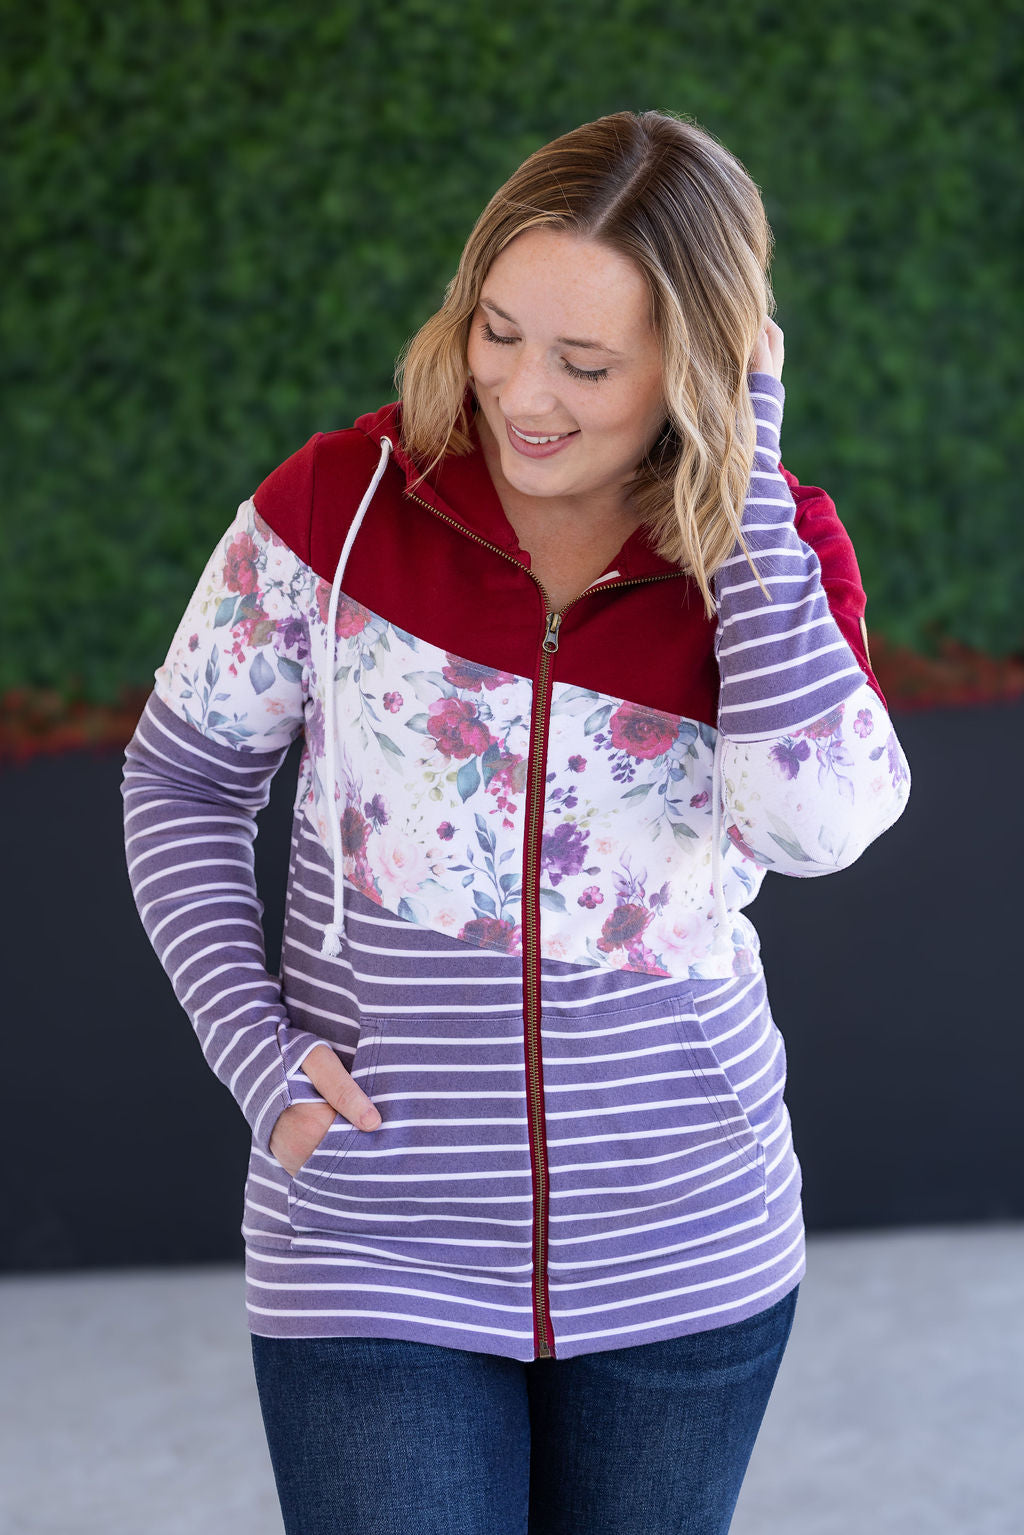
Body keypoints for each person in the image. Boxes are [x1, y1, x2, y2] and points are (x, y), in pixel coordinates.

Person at [122, 109, 910, 1535]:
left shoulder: (773, 558)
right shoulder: (334, 513)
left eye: (588, 363)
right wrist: (262, 1057)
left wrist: (745, 492)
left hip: (686, 1246)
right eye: (499, 332)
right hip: (371, 1237)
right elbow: (181, 780)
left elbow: (820, 823)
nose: (523, 395)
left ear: (704, 364)